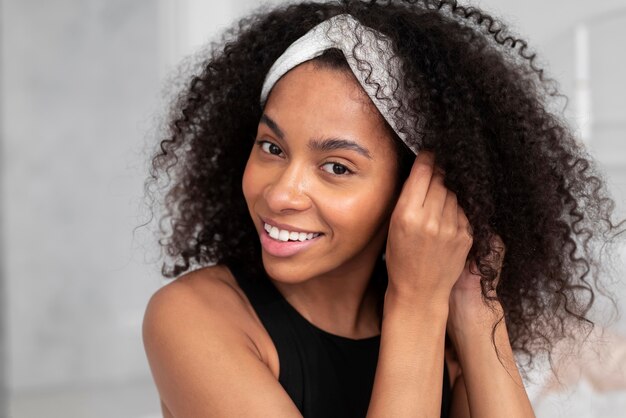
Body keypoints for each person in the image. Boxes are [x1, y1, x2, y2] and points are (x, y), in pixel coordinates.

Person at [141, 1, 625, 417]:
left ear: (418, 191)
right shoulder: (192, 318)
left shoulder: (446, 320)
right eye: (272, 147)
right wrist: (414, 304)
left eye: (336, 167)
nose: (281, 194)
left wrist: (475, 306)